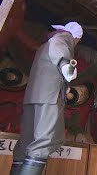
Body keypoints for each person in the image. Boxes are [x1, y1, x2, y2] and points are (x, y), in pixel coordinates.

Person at [9, 22, 83, 175]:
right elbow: (60, 53)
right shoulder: (62, 39)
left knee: (27, 142)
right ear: (75, 37)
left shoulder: (44, 46)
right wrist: (65, 65)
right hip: (48, 98)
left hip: (33, 97)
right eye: (77, 41)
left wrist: (64, 85)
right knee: (44, 140)